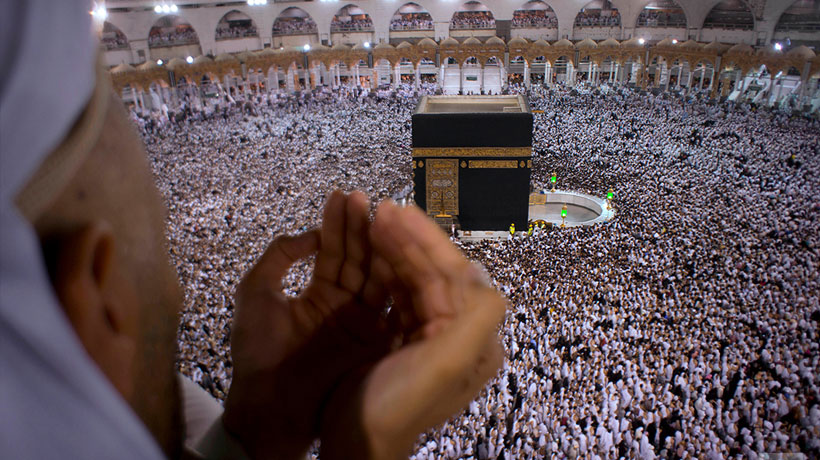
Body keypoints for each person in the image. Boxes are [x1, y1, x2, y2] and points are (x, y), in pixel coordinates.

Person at [0, 1, 506, 458]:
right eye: (160, 235)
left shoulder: (207, 417)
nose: (178, 285)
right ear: (100, 298)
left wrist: (266, 429)